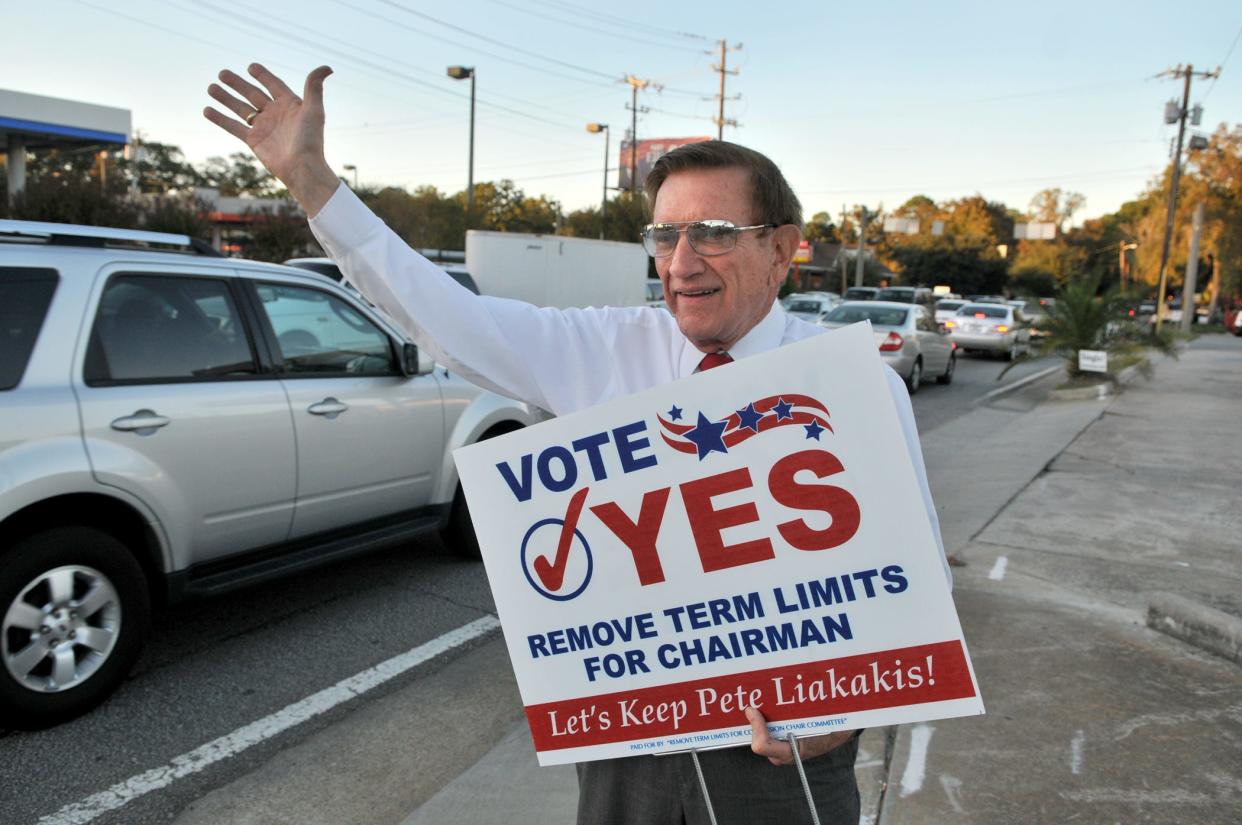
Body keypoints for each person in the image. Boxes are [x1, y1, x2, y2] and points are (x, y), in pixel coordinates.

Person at [204, 63, 948, 825]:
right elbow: (449, 318)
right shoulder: (605, 349)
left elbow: (912, 582)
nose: (681, 262)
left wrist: (846, 715)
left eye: (714, 234)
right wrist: (314, 185)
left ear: (783, 248)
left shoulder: (854, 388)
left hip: (783, 756)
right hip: (632, 751)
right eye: (666, 234)